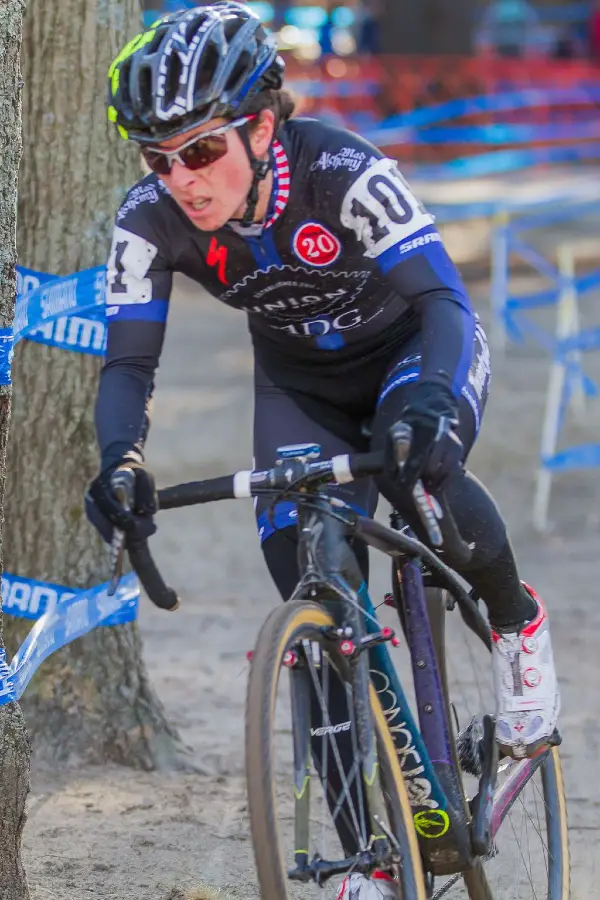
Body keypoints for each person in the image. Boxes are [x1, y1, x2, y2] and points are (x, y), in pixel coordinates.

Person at [88, 4, 560, 896]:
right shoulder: (150, 218)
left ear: (262, 125)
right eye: (157, 157)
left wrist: (427, 397)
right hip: (300, 389)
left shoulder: (342, 171)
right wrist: (122, 462)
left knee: (426, 475)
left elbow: (444, 300)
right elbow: (128, 361)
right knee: (316, 604)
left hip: (415, 350)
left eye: (199, 150)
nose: (180, 178)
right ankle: (369, 863)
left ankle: (515, 624)